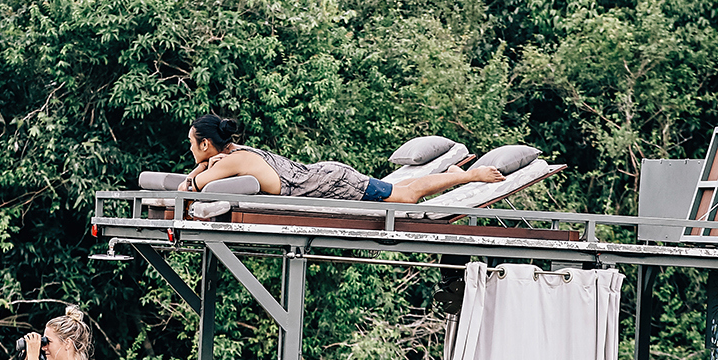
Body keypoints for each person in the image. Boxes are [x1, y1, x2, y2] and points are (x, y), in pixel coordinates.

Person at [177, 114, 506, 203]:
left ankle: (468, 176)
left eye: (192, 144)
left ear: (206, 144)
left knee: (406, 196)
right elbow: (198, 177)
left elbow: (191, 184)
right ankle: (451, 173)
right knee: (401, 188)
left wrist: (197, 171)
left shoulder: (229, 161)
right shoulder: (231, 155)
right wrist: (202, 167)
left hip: (330, 182)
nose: (189, 149)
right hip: (324, 177)